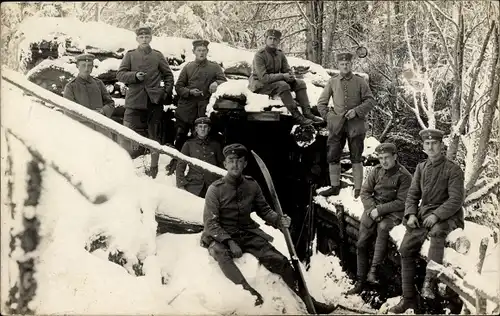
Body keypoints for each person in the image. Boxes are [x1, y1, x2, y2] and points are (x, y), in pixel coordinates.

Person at [200, 143, 336, 314]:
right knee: (219, 252)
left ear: (245, 164)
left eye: (239, 161)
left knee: (280, 261)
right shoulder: (215, 189)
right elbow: (211, 223)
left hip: (247, 233)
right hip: (221, 235)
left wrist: (279, 220)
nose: (235, 165)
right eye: (231, 161)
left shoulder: (252, 185)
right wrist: (229, 242)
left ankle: (309, 301)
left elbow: (264, 211)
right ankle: (250, 293)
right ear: (225, 164)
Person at [389, 129, 465, 314]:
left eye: (434, 143)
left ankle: (429, 284)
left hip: (448, 215)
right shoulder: (421, 168)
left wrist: (437, 215)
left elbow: (456, 200)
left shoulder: (453, 169)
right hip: (424, 215)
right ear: (423, 146)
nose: (430, 147)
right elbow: (412, 195)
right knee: (405, 247)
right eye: (427, 144)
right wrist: (411, 214)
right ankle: (408, 299)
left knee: (437, 232)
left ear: (441, 145)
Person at [346, 143, 412, 295]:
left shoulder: (405, 176)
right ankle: (360, 281)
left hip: (393, 212)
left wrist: (380, 210)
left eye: (387, 158)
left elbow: (402, 201)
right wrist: (371, 210)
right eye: (381, 158)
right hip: (373, 209)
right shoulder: (376, 171)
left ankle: (374, 271)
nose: (383, 161)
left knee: (383, 228)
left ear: (395, 157)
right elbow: (365, 192)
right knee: (361, 243)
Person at [116, 26, 174, 179]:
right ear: (137, 39)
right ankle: (126, 168)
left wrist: (165, 93)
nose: (144, 39)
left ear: (151, 38)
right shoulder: (130, 55)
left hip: (154, 102)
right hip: (134, 101)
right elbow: (120, 74)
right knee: (128, 133)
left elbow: (168, 76)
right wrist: (135, 76)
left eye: (147, 37)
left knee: (154, 136)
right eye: (141, 37)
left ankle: (154, 169)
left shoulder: (157, 56)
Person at [316, 52, 375, 199]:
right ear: (338, 66)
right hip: (337, 126)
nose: (345, 66)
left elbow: (370, 101)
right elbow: (321, 103)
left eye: (347, 64)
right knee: (333, 155)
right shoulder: (332, 82)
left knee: (356, 156)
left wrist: (356, 111)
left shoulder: (360, 82)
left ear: (351, 64)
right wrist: (330, 118)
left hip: (356, 126)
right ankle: (334, 187)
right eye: (342, 64)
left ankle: (358, 189)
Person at [166, 39, 227, 175]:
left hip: (204, 108)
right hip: (187, 108)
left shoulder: (214, 67)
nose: (201, 53)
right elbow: (179, 86)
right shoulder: (188, 67)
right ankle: (175, 163)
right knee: (181, 136)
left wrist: (217, 83)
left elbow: (224, 81)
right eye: (199, 50)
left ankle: (205, 167)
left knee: (206, 136)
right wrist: (189, 92)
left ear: (207, 52)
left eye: (204, 50)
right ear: (194, 52)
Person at [248, 29, 323, 126]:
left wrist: (290, 75)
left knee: (300, 83)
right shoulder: (259, 55)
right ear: (265, 40)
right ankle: (297, 116)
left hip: (274, 82)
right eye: (270, 38)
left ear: (278, 41)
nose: (272, 41)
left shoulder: (280, 54)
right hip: (260, 85)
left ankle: (307, 113)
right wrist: (283, 76)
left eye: (275, 39)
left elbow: (286, 69)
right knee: (282, 85)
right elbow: (264, 78)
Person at [63, 53, 116, 136]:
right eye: (83, 65)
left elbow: (110, 103)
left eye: (89, 65)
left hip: (102, 131)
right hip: (81, 132)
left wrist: (103, 111)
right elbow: (68, 110)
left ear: (92, 67)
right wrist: (89, 115)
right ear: (77, 66)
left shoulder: (99, 84)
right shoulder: (70, 87)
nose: (86, 69)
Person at [176, 117, 224, 198]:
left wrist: (222, 185)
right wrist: (181, 185)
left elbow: (222, 166)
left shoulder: (215, 145)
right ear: (196, 129)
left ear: (209, 129)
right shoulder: (189, 144)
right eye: (200, 126)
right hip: (193, 187)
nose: (202, 129)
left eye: (205, 127)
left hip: (212, 187)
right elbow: (180, 166)